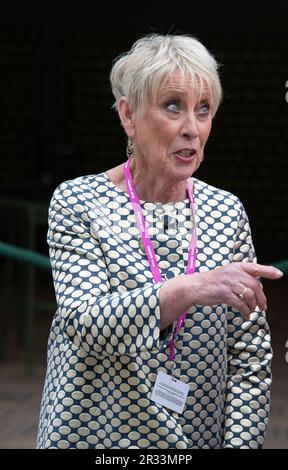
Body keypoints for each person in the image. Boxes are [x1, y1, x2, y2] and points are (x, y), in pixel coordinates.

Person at [36, 33, 283, 449]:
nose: (192, 128)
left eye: (203, 110)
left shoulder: (225, 211)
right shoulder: (80, 202)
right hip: (95, 439)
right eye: (173, 106)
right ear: (129, 115)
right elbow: (86, 322)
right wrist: (192, 288)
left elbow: (249, 358)